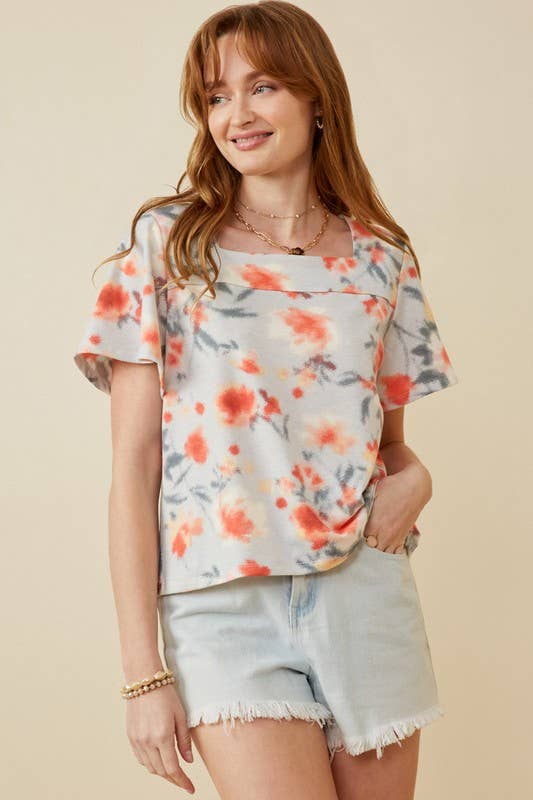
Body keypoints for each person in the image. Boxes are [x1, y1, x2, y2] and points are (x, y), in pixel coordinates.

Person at [73, 2, 459, 798]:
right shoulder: (167, 246)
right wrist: (143, 674)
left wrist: (417, 479)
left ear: (315, 97)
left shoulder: (382, 259)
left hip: (365, 592)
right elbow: (134, 466)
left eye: (262, 87)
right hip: (224, 605)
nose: (236, 115)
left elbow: (386, 446)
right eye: (216, 96)